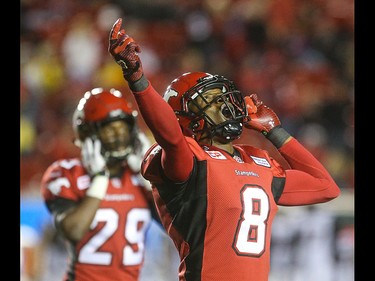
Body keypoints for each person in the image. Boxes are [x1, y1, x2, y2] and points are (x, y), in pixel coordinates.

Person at [108, 18, 341, 281]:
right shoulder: (190, 160)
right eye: (210, 102)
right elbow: (171, 139)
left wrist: (275, 132)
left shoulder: (256, 160)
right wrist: (137, 78)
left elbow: (325, 187)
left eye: (225, 98)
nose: (226, 107)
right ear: (186, 119)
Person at [40, 87, 158, 281]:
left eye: (123, 128)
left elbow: (178, 229)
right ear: (88, 133)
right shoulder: (67, 173)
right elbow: (74, 230)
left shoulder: (138, 178)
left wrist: (149, 177)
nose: (119, 136)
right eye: (110, 129)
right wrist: (100, 178)